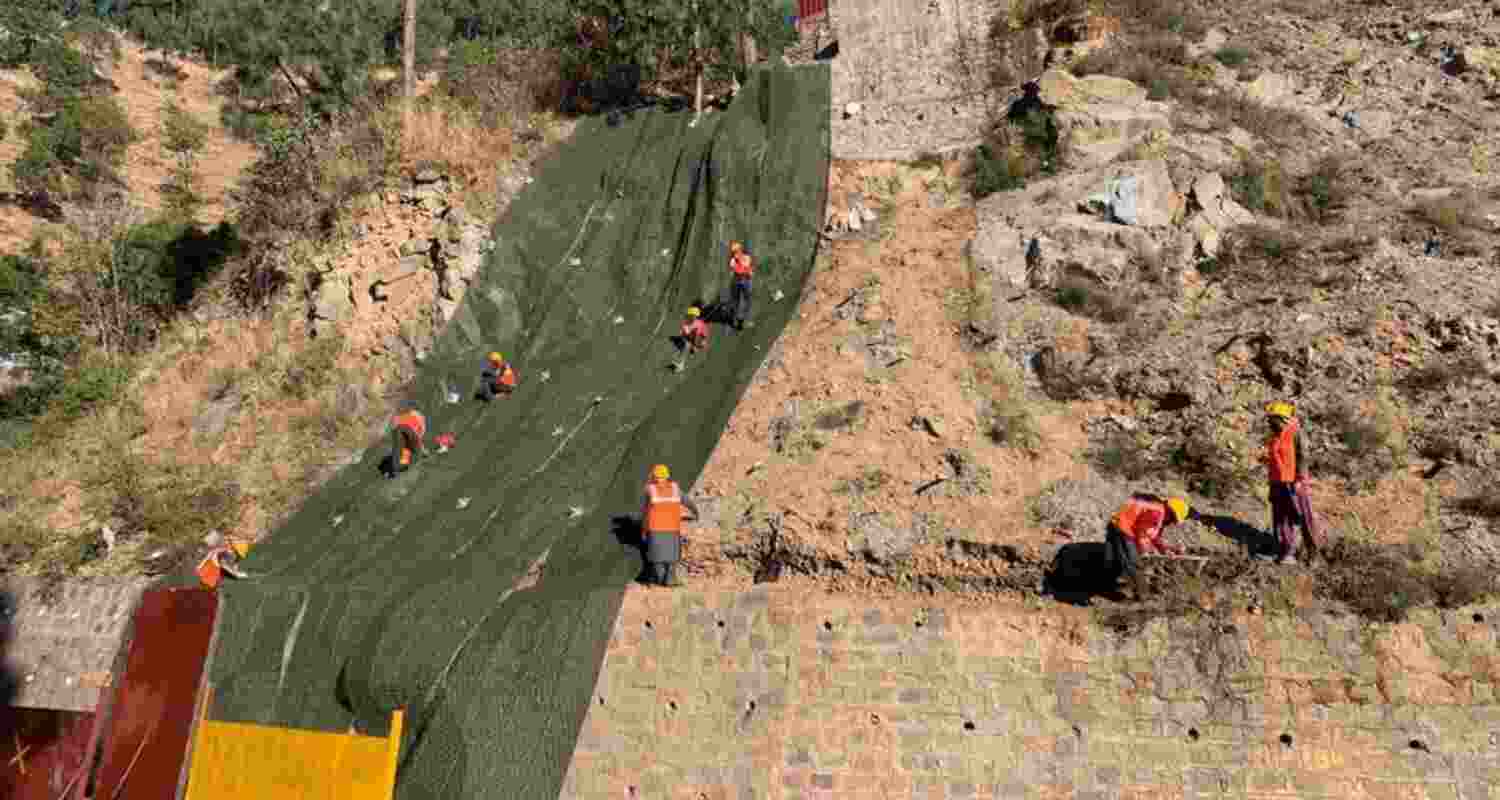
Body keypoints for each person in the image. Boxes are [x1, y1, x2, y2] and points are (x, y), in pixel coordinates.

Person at [1261, 401, 1319, 565]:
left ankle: (1313, 554)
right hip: (1277, 482)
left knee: (1304, 518)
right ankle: (1286, 553)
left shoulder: (1295, 432)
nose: (1269, 423)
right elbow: (1278, 457)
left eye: (1272, 419)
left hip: (1294, 483)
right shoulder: (1275, 434)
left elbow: (1303, 456)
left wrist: (1300, 479)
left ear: (1282, 419)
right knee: (1280, 519)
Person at [1106, 494, 1190, 599]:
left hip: (1115, 524)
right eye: (1173, 519)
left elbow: (1153, 535)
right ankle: (1143, 595)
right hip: (1124, 528)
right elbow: (1142, 533)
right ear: (1170, 512)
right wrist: (1146, 549)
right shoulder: (1156, 513)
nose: (1171, 523)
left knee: (1114, 559)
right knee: (1134, 563)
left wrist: (1164, 550)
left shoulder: (1158, 509)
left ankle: (1111, 585)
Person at [640, 464, 700, 587]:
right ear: (667, 476)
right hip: (672, 529)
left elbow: (646, 512)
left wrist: (644, 530)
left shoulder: (650, 490)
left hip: (655, 530)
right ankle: (670, 579)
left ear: (654, 477)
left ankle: (660, 578)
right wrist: (696, 512)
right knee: (672, 557)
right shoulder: (675, 489)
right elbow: (688, 502)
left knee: (656, 557)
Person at [384, 406, 427, 478]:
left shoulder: (405, 415)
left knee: (399, 448)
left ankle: (396, 469)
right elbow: (419, 435)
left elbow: (394, 421)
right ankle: (401, 465)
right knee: (406, 448)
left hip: (401, 429)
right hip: (409, 430)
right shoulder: (419, 419)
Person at [671, 306, 710, 371]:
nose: (694, 317)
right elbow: (684, 334)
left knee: (701, 344)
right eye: (692, 316)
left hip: (695, 338)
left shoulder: (699, 324)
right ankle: (680, 364)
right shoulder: (685, 324)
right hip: (688, 338)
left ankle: (691, 351)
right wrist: (688, 337)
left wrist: (697, 342)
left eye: (695, 316)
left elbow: (703, 334)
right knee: (686, 346)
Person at [727, 241, 753, 331]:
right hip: (737, 281)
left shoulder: (747, 258)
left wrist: (740, 264)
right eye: (733, 252)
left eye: (736, 251)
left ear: (740, 250)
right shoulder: (733, 260)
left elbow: (746, 267)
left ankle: (742, 320)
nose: (735, 253)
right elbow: (736, 269)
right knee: (736, 300)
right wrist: (737, 262)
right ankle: (734, 319)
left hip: (746, 281)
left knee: (747, 300)